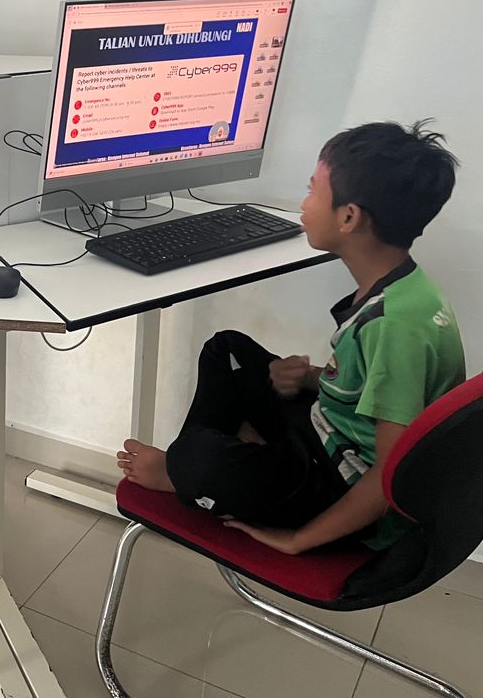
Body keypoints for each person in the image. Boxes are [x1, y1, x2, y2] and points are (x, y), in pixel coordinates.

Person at [117, 121, 464, 554]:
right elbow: (371, 387)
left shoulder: (394, 326)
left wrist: (299, 540)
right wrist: (310, 377)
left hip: (342, 482)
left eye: (312, 190)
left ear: (349, 217)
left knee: (198, 459)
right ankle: (202, 468)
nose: (303, 203)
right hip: (329, 433)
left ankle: (189, 473)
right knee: (227, 350)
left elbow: (390, 474)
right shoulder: (409, 290)